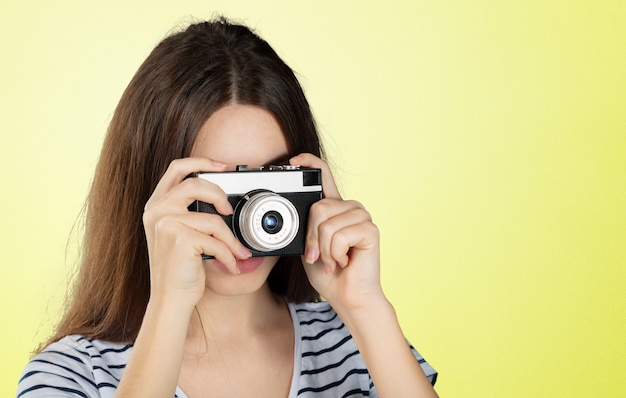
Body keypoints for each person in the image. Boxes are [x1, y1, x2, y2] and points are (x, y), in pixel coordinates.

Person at [16, 17, 437, 398]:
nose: (249, 222)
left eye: (270, 182)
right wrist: (169, 302)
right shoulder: (71, 375)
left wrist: (365, 307)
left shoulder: (359, 346)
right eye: (217, 189)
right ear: (152, 194)